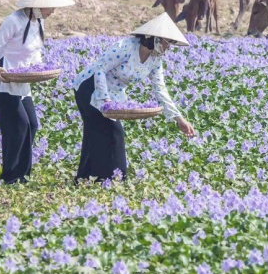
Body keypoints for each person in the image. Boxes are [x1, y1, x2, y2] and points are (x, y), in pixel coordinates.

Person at [73, 12, 195, 183]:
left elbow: (160, 88)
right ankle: (112, 178)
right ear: (154, 38)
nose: (168, 47)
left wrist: (178, 118)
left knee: (98, 132)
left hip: (113, 93)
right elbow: (100, 69)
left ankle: (87, 178)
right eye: (167, 42)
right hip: (90, 87)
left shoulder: (155, 59)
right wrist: (106, 101)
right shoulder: (125, 47)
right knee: (111, 131)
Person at [0, 0, 74, 184]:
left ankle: (21, 175)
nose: (53, 12)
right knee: (18, 126)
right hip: (3, 77)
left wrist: (41, 69)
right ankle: (9, 176)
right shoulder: (14, 20)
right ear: (38, 6)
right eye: (50, 7)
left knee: (32, 124)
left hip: (22, 77)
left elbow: (35, 54)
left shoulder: (38, 22)